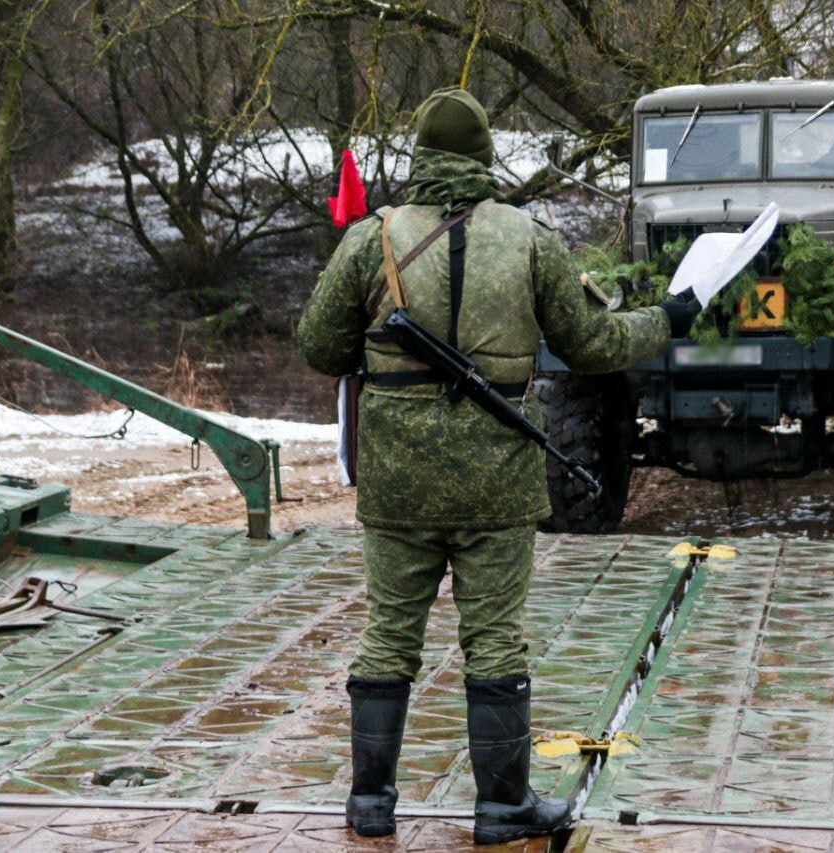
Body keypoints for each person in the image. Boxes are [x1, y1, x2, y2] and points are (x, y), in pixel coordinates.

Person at [297, 88, 702, 845]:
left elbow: (319, 348)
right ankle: (502, 806)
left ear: (420, 153)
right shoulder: (529, 238)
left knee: (389, 633)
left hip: (398, 479)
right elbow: (592, 345)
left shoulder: (371, 237)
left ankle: (371, 803)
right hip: (499, 476)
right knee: (495, 638)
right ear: (484, 157)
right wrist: (666, 320)